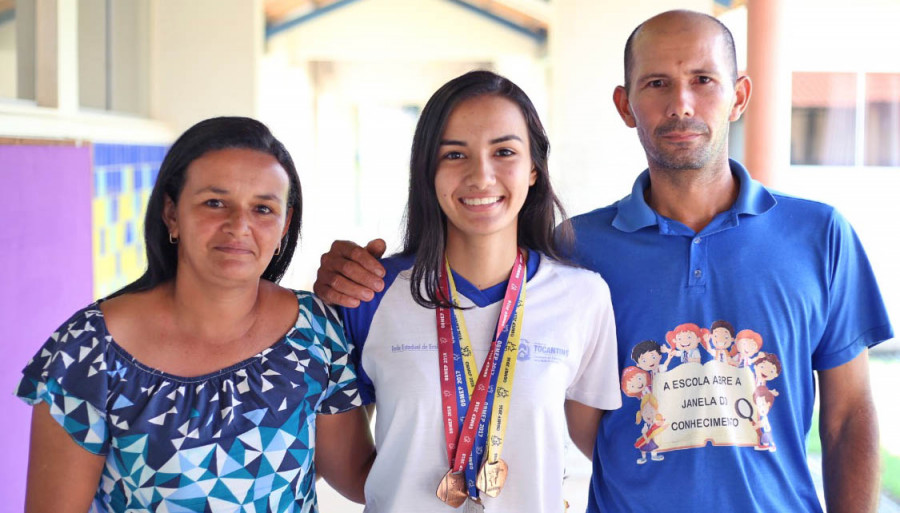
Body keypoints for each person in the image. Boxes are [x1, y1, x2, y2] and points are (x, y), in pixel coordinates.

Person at [313, 10, 894, 513]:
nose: (681, 103)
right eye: (657, 83)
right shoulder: (577, 249)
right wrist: (342, 278)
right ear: (625, 104)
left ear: (739, 96)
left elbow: (848, 417)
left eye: (703, 80)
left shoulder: (819, 234)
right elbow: (587, 424)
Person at [16, 117, 375, 512]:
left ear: (284, 226)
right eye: (215, 203)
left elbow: (359, 478)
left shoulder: (314, 331)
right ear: (172, 213)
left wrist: (388, 319)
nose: (239, 226)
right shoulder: (89, 352)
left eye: (263, 208)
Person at [334, 70, 620, 512]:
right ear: (427, 171)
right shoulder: (369, 292)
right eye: (454, 155)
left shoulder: (583, 298)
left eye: (504, 151)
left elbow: (609, 454)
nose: (481, 176)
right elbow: (348, 469)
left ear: (534, 169)